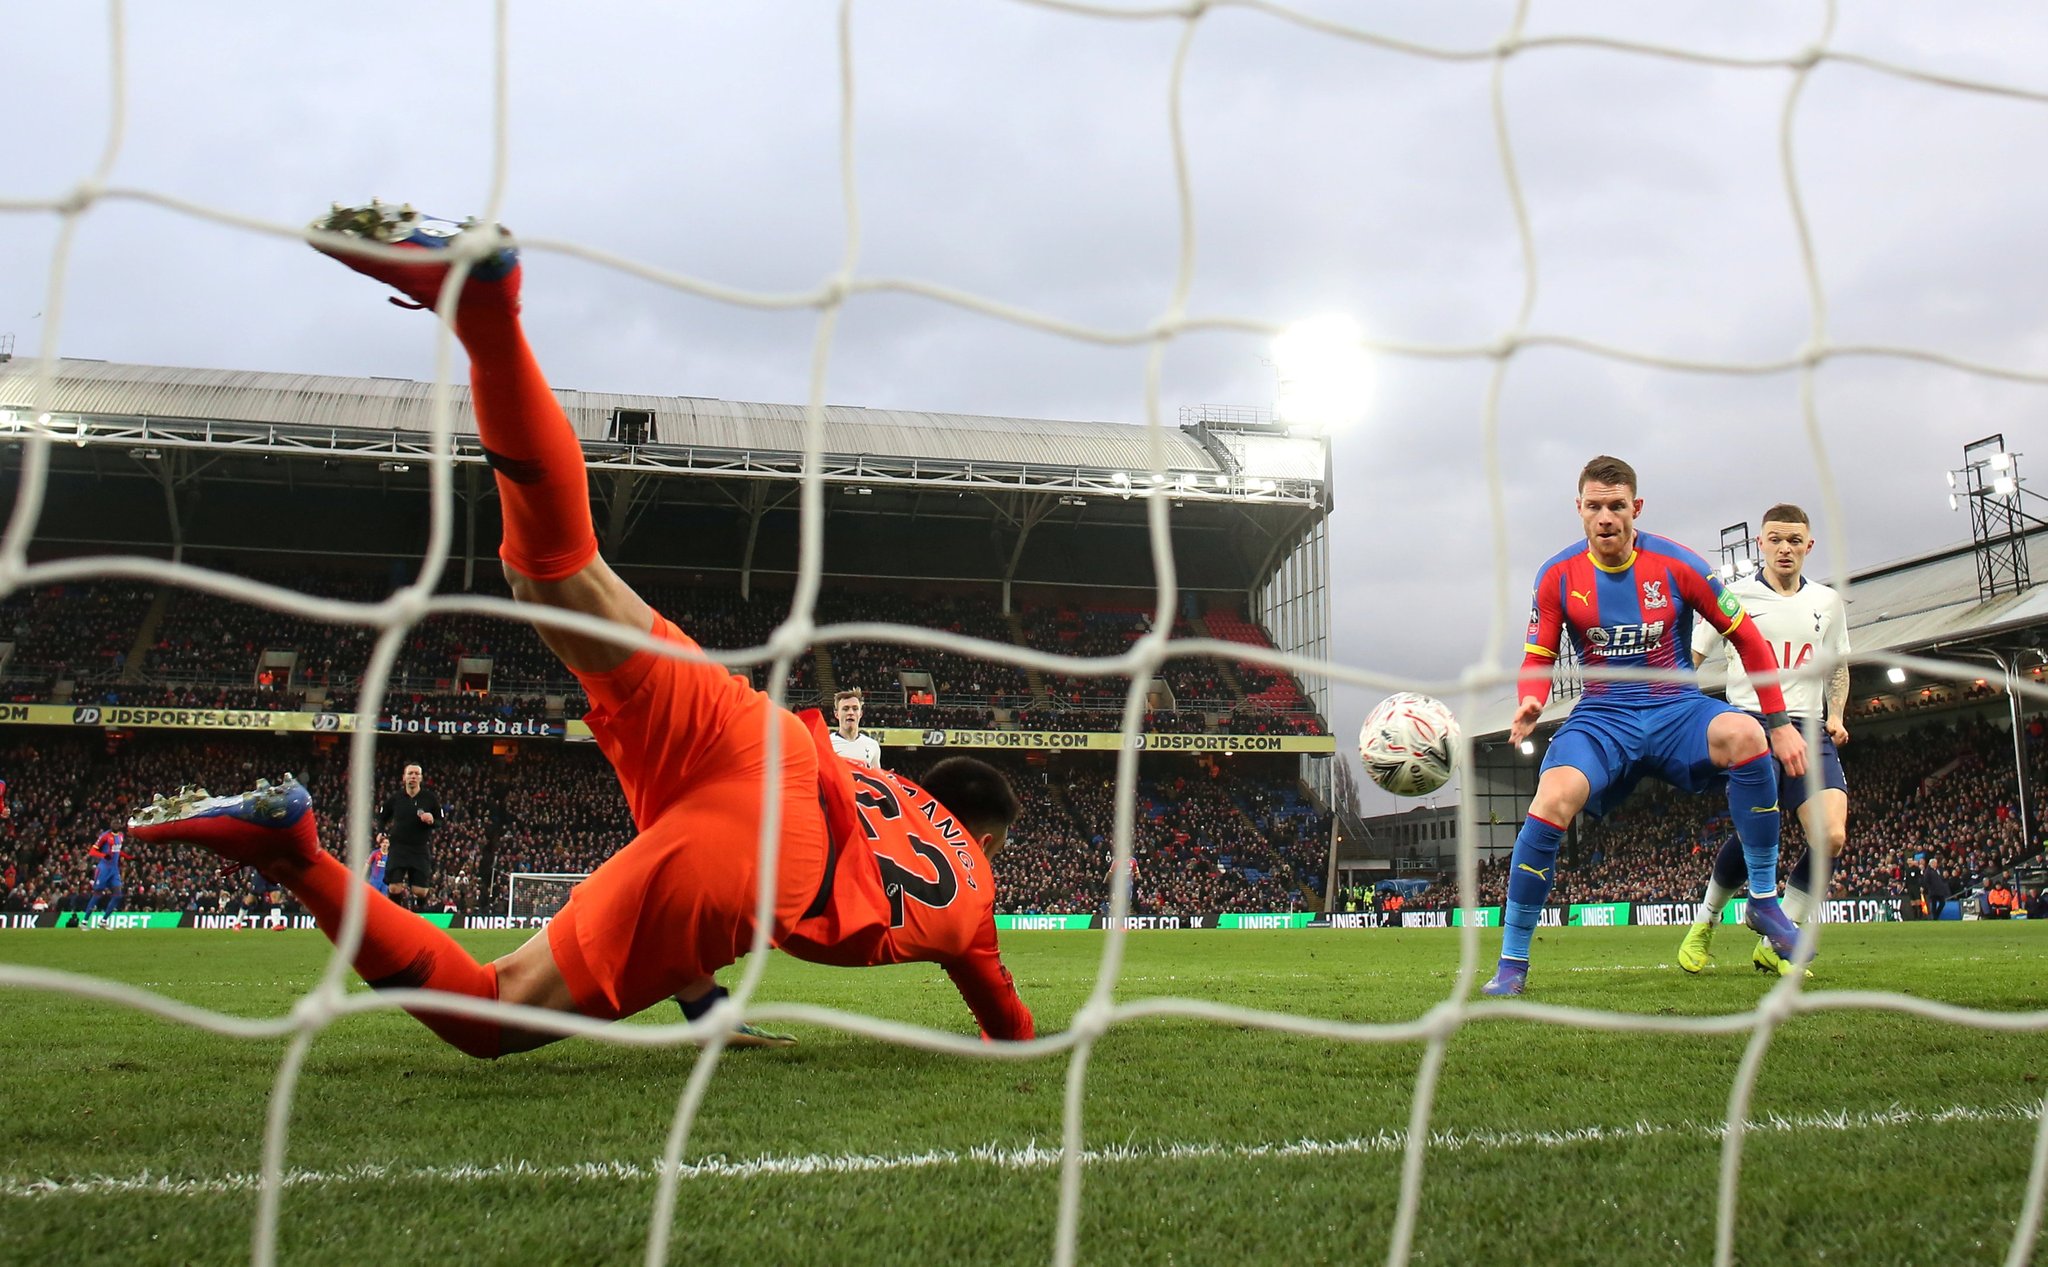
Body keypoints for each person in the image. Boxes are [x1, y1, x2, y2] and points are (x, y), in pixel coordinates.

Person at [128, 201, 1034, 1057]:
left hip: (764, 740)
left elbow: (718, 849)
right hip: (777, 846)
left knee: (553, 573)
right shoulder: (977, 891)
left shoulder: (890, 789)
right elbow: (1010, 1026)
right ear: (986, 839)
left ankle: (489, 315)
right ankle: (294, 853)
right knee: (487, 1012)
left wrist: (708, 1006)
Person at [1485, 456, 1808, 996]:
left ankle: (1763, 902)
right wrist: (1530, 701)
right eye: (1595, 507)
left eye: (1617, 506)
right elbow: (1538, 655)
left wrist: (1778, 722)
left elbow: (1747, 637)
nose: (1606, 517)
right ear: (1579, 510)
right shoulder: (1558, 575)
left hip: (1676, 709)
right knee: (1551, 797)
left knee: (1747, 737)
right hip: (1604, 717)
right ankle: (1513, 962)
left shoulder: (1679, 565)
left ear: (1636, 508)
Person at [1678, 503, 1851, 977]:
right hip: (1751, 726)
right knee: (1756, 831)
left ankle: (1778, 939)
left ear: (1808, 546)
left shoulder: (1828, 602)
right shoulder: (1733, 597)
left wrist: (1835, 713)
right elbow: (1691, 655)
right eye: (1775, 538)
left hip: (1809, 729)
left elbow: (1837, 663)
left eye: (1794, 540)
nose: (1784, 547)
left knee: (1831, 835)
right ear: (1761, 542)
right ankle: (1705, 923)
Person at [375, 763, 442, 910]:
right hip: (398, 847)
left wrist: (432, 820)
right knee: (394, 888)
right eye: (410, 773)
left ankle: (418, 912)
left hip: (419, 848)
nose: (413, 776)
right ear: (404, 777)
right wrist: (380, 831)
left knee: (420, 891)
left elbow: (440, 821)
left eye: (416, 774)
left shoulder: (430, 799)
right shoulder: (396, 798)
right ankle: (396, 917)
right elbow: (382, 817)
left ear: (421, 778)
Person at [80, 828, 124, 928]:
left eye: (118, 823)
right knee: (97, 895)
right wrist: (103, 855)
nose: (116, 825)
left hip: (114, 870)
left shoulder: (121, 836)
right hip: (104, 869)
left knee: (118, 895)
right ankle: (84, 922)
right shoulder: (105, 836)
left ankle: (103, 921)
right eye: (114, 823)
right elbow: (92, 851)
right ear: (111, 825)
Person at [829, 688, 882, 770]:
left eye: (855, 708)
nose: (850, 712)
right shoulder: (827, 744)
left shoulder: (872, 745)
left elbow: (877, 778)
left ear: (860, 714)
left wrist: (887, 779)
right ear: (836, 714)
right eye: (845, 709)